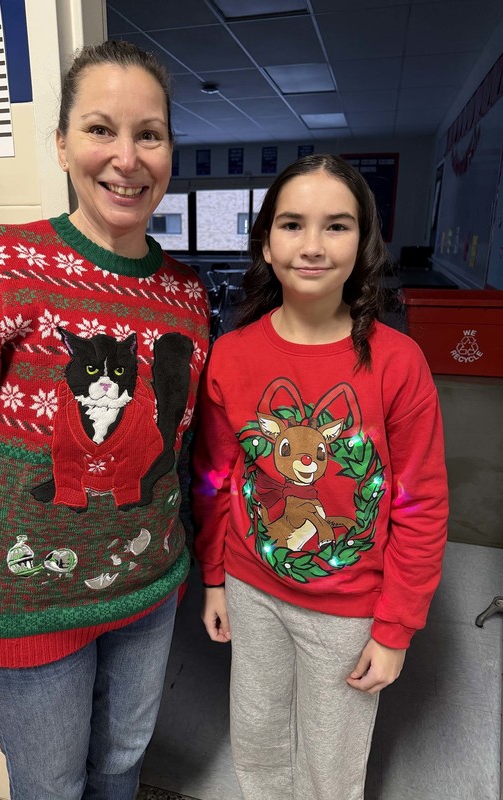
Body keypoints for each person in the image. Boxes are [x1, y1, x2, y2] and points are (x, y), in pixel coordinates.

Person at [0, 40, 209, 800]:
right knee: (52, 788)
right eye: (101, 129)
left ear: (171, 150)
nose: (127, 158)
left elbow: (185, 445)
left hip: (148, 589)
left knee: (122, 769)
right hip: (25, 608)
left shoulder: (189, 297)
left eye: (149, 134)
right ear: (63, 142)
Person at [192, 154, 448, 800]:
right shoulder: (231, 352)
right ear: (266, 244)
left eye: (336, 226)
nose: (311, 246)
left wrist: (395, 630)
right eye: (291, 224)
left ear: (363, 243)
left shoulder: (398, 362)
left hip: (349, 609)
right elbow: (215, 477)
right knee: (257, 744)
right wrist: (216, 577)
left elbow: (421, 505)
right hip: (252, 590)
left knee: (330, 770)